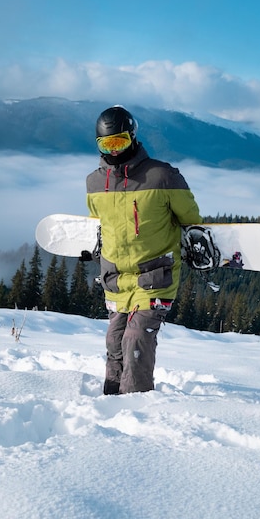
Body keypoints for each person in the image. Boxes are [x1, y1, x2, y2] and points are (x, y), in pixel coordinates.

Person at [86, 106, 202, 395]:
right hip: (115, 278)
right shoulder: (94, 183)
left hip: (155, 276)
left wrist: (197, 246)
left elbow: (190, 218)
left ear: (133, 137)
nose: (114, 152)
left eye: (119, 142)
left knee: (136, 339)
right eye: (107, 145)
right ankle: (110, 400)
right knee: (115, 341)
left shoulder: (163, 176)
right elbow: (97, 224)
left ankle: (135, 407)